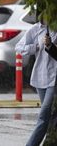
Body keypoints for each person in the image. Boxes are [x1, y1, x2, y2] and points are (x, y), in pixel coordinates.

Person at [15, 13, 57, 146]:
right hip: (40, 77)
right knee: (50, 116)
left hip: (55, 78)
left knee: (44, 115)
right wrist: (35, 47)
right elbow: (19, 47)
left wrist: (50, 46)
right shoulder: (35, 29)